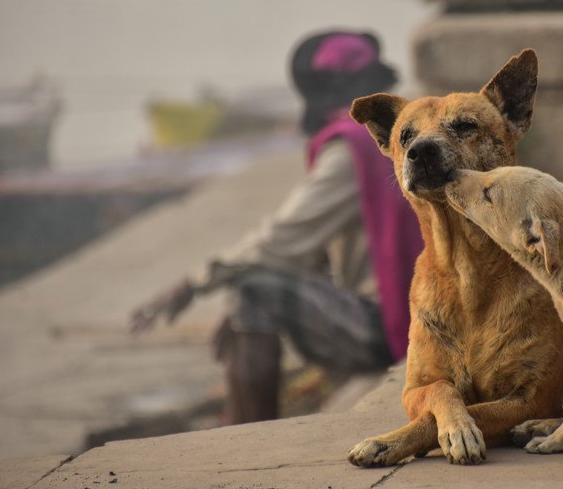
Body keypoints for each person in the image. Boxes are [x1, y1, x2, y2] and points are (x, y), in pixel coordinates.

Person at [129, 30, 423, 424]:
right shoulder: (408, 126)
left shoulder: (352, 147)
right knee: (253, 287)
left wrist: (194, 283)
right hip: (424, 312)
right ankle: (242, 415)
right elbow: (305, 251)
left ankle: (250, 435)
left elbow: (284, 238)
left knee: (253, 292)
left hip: (397, 327)